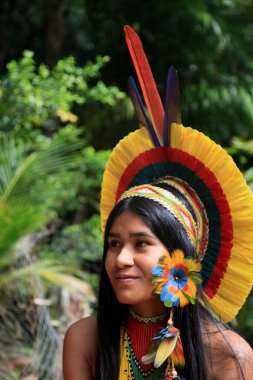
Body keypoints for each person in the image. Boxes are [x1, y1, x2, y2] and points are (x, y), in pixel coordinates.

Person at [63, 26, 253, 380]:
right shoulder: (85, 340)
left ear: (181, 257)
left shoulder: (229, 357)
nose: (120, 259)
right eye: (114, 244)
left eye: (141, 243)